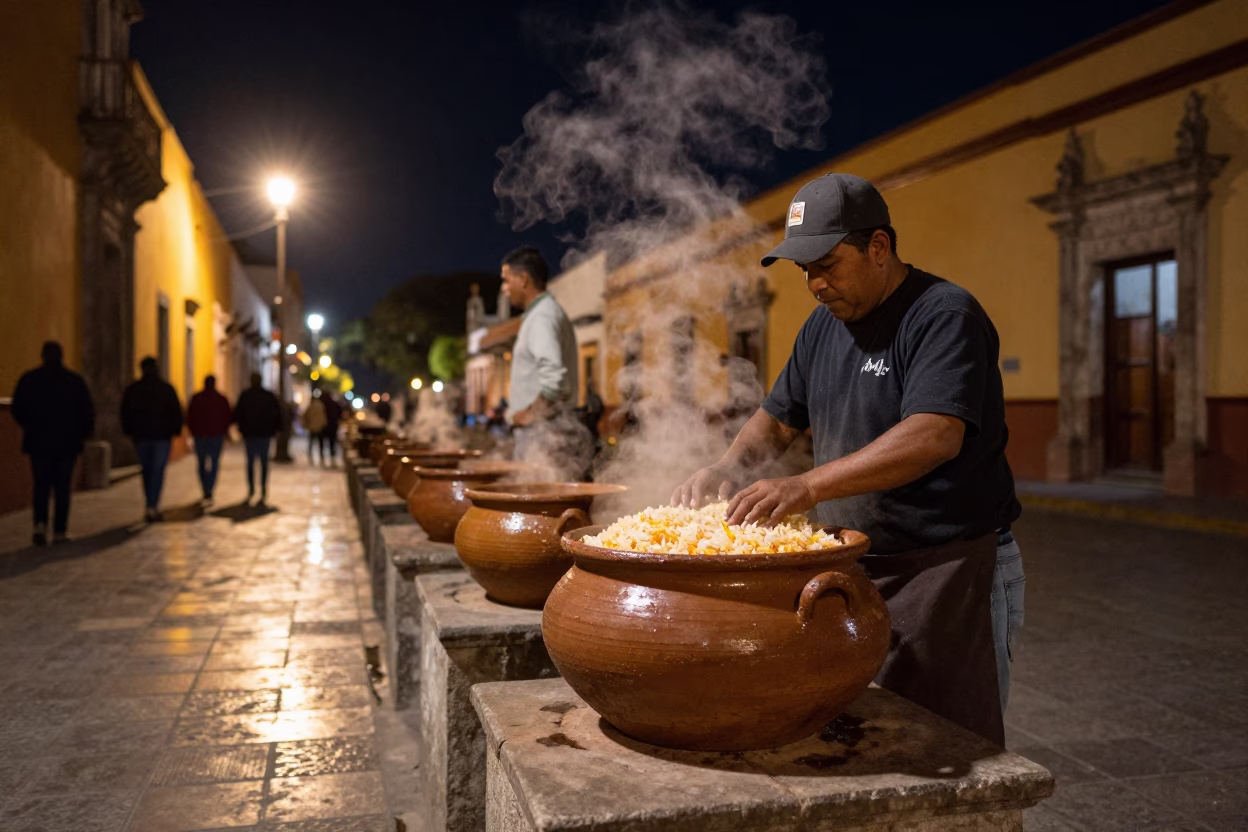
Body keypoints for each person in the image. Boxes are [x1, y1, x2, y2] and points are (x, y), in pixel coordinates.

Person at [673, 173, 1023, 745]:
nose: (814, 283)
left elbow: (934, 434)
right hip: (856, 568)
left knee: (952, 748)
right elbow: (779, 417)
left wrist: (807, 487)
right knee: (867, 740)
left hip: (947, 569)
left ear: (878, 247)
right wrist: (726, 466)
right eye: (803, 270)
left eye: (827, 263)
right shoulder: (821, 328)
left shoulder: (943, 315)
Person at [500, 245, 590, 480]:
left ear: (523, 279)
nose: (504, 288)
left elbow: (554, 379)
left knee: (541, 510)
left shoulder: (543, 317)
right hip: (543, 431)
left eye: (507, 280)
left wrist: (530, 415)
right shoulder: (540, 315)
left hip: (543, 433)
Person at [10, 341, 95, 545]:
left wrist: (31, 426)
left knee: (41, 485)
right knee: (62, 487)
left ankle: (39, 525)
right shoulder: (74, 381)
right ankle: (59, 530)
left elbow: (17, 408)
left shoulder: (30, 380)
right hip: (67, 444)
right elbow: (87, 412)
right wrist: (81, 436)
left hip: (39, 443)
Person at [121, 357, 184, 522]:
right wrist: (175, 430)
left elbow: (125, 412)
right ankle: (152, 505)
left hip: (141, 437)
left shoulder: (133, 389)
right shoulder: (166, 389)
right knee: (157, 471)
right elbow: (176, 411)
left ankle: (150, 503)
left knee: (147, 470)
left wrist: (129, 431)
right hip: (161, 437)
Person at [233, 372, 282, 505]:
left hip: (252, 435)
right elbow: (277, 413)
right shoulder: (268, 396)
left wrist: (241, 428)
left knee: (252, 463)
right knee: (263, 463)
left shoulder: (246, 395)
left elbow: (238, 414)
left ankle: (253, 489)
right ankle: (261, 488)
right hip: (262, 435)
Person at [187, 375, 232, 505]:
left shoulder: (197, 398)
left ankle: (206, 488)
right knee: (214, 463)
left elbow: (190, 416)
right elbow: (227, 417)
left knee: (202, 463)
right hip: (215, 436)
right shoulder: (221, 399)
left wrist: (193, 432)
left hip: (201, 436)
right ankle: (209, 488)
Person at [301, 392, 328, 464]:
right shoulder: (321, 405)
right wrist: (323, 424)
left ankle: (310, 457)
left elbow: (305, 415)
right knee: (320, 443)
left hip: (312, 427)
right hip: (319, 427)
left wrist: (306, 425)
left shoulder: (311, 406)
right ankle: (322, 458)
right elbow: (324, 416)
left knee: (311, 443)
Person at [321, 392, 343, 464]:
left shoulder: (322, 404)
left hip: (323, 425)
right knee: (332, 443)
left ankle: (322, 458)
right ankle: (332, 458)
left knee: (321, 443)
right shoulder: (334, 403)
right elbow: (340, 413)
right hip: (332, 425)